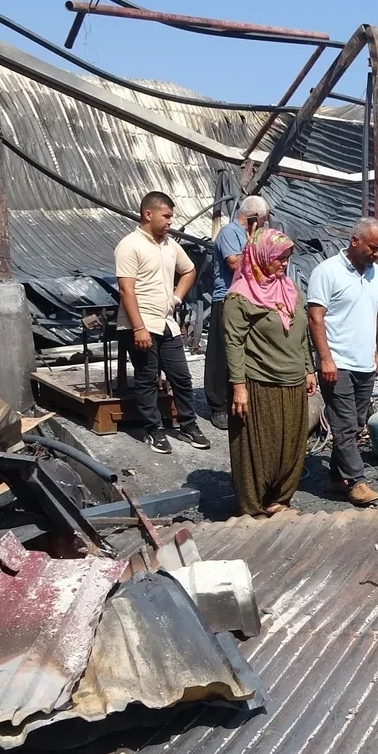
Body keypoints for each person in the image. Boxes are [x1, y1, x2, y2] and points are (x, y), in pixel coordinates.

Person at [224, 228, 316, 517]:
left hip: (293, 379)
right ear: (262, 256)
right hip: (258, 381)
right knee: (258, 447)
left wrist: (308, 369)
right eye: (279, 258)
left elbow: (302, 332)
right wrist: (239, 385)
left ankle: (279, 499)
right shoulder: (240, 297)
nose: (284, 264)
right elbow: (234, 342)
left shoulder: (288, 289)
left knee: (290, 444)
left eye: (287, 258)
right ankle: (252, 506)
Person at [114, 191, 211, 454]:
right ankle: (153, 430)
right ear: (149, 214)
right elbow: (126, 291)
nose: (170, 221)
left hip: (165, 323)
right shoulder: (130, 245)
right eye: (166, 216)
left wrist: (176, 298)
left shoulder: (170, 245)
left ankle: (188, 425)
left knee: (181, 376)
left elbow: (189, 270)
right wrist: (139, 328)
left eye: (171, 216)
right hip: (141, 324)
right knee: (147, 378)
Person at [307, 217, 378, 507]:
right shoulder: (327, 272)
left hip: (364, 363)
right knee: (343, 424)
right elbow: (315, 317)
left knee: (355, 423)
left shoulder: (375, 273)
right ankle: (356, 481)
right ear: (355, 241)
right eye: (373, 247)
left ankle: (335, 479)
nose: (377, 254)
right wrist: (325, 359)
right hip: (337, 362)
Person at [205, 195, 270, 430]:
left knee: (243, 352)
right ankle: (218, 404)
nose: (264, 225)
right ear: (254, 218)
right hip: (227, 298)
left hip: (249, 298)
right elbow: (234, 263)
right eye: (262, 220)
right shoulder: (230, 233)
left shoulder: (249, 236)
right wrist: (254, 244)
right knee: (222, 353)